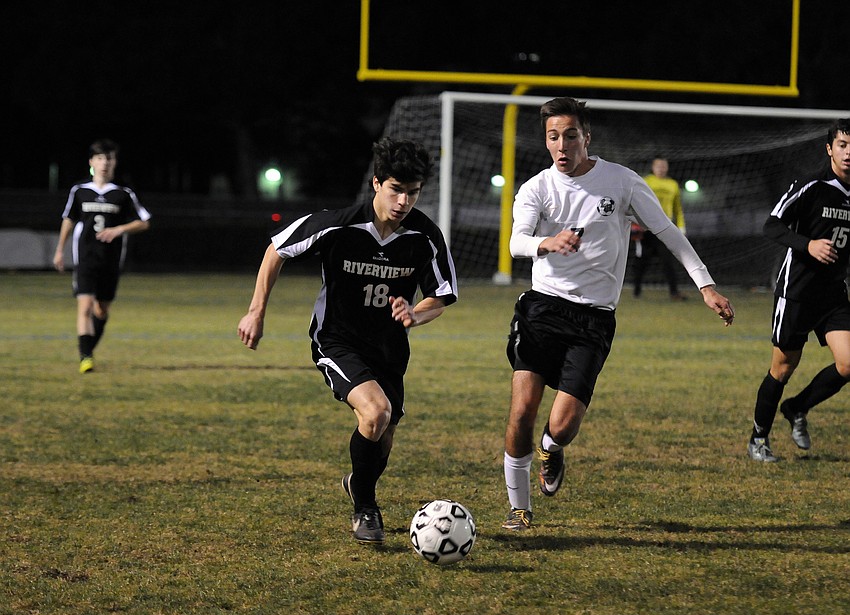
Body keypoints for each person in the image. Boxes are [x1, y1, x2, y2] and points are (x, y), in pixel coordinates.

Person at [501, 97, 735, 530]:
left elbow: (667, 231)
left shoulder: (622, 182)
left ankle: (551, 449)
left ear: (586, 138)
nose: (561, 145)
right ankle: (519, 509)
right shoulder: (536, 188)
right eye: (553, 137)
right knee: (521, 411)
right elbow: (517, 241)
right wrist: (545, 243)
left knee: (563, 425)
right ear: (546, 141)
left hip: (593, 318)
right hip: (542, 307)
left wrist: (705, 285)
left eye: (570, 136)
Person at [237, 137, 458, 544]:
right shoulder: (339, 224)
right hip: (337, 340)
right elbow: (276, 250)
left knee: (383, 437)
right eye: (396, 190)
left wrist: (416, 313)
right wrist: (256, 311)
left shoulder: (424, 235)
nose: (403, 201)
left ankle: (358, 482)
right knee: (376, 413)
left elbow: (441, 296)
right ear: (376, 183)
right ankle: (365, 509)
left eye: (413, 193)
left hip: (389, 349)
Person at [748, 119, 850, 462]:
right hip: (797, 292)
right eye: (842, 145)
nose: (848, 152)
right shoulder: (812, 185)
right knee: (782, 368)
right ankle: (758, 438)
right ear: (829, 148)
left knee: (848, 363)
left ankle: (797, 407)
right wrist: (808, 245)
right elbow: (771, 225)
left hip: (833, 294)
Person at [52, 139, 151, 373]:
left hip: (111, 259)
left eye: (109, 159)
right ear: (91, 162)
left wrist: (120, 229)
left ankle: (88, 349)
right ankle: (86, 357)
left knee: (101, 310)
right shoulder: (80, 191)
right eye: (99, 158)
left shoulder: (123, 193)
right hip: (85, 257)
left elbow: (145, 222)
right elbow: (69, 219)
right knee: (85, 306)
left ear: (114, 162)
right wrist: (59, 249)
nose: (104, 163)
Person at [632, 155, 688, 300]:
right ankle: (636, 291)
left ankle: (674, 293)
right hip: (646, 229)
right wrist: (635, 223)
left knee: (668, 261)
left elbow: (677, 208)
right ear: (653, 167)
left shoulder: (673, 184)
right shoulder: (645, 181)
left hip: (665, 228)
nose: (661, 169)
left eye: (664, 166)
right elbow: (635, 203)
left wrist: (681, 227)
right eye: (658, 166)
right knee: (642, 261)